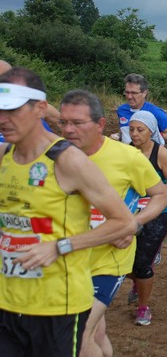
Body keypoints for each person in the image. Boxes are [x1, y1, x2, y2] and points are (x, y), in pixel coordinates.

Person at [0, 68, 137, 357]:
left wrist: (60, 246)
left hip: (56, 307)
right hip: (7, 303)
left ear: (39, 108)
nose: (3, 119)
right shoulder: (3, 156)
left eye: (12, 109)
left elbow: (123, 222)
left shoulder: (66, 159)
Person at [59, 90, 167, 357]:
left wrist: (133, 223)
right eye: (63, 122)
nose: (69, 130)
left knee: (79, 332)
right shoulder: (56, 156)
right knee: (95, 334)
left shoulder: (128, 157)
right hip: (71, 258)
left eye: (77, 123)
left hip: (109, 260)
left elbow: (161, 194)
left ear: (100, 125)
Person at [128, 111, 167, 328]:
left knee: (142, 263)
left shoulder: (161, 153)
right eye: (131, 129)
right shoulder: (126, 151)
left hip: (159, 212)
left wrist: (154, 190)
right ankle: (137, 283)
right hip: (131, 212)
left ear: (151, 131)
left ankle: (143, 307)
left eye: (140, 130)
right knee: (126, 264)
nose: (135, 134)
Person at [112, 73, 167, 144]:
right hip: (127, 154)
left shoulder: (156, 112)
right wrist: (119, 136)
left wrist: (155, 135)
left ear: (144, 93)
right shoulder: (121, 110)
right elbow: (125, 131)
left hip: (147, 154)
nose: (129, 97)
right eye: (127, 92)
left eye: (134, 93)